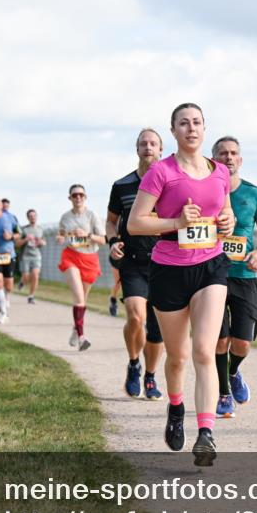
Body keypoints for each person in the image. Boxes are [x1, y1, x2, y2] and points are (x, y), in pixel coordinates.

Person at [128, 102, 235, 467]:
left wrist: (226, 223)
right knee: (178, 357)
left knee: (205, 351)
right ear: (173, 131)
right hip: (169, 269)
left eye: (197, 122)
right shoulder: (161, 172)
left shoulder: (219, 172)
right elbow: (137, 223)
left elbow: (227, 212)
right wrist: (175, 221)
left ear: (205, 129)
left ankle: (206, 434)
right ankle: (176, 408)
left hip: (211, 265)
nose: (191, 128)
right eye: (184, 123)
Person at [211, 136, 257, 418]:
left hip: (245, 274)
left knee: (242, 342)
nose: (229, 157)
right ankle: (223, 394)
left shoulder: (253, 193)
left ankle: (233, 372)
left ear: (241, 159)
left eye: (234, 153)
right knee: (219, 339)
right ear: (214, 158)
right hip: (211, 274)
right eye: (223, 153)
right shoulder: (206, 191)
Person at [107, 127, 166, 399]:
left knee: (158, 329)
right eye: (144, 143)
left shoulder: (171, 183)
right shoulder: (122, 186)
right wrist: (113, 241)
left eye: (153, 143)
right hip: (133, 262)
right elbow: (110, 221)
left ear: (161, 149)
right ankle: (134, 364)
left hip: (165, 263)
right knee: (135, 315)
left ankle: (151, 376)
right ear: (137, 149)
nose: (148, 147)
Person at [57, 184, 106, 350]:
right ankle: (82, 337)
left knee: (83, 300)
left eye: (81, 195)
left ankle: (75, 330)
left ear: (85, 197)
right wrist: (60, 237)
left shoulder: (92, 216)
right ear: (70, 198)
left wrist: (87, 235)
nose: (78, 198)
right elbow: (62, 233)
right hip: (71, 257)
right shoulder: (65, 217)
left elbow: (103, 239)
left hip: (90, 259)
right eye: (74, 195)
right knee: (78, 297)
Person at [17, 209, 44, 303]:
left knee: (35, 276)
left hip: (36, 255)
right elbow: (17, 244)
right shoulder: (24, 229)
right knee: (26, 277)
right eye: (31, 216)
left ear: (36, 217)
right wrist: (26, 239)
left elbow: (43, 242)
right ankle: (22, 282)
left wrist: (41, 242)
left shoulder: (40, 229)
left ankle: (31, 296)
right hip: (25, 256)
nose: (33, 217)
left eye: (34, 215)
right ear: (28, 218)